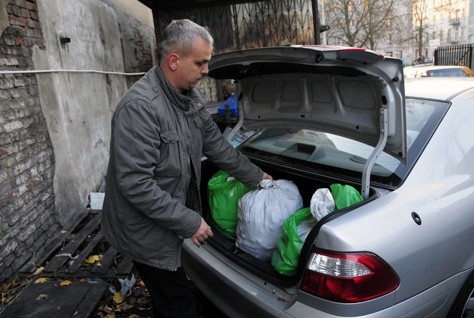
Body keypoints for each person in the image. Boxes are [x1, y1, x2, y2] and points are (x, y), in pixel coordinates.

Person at [101, 19, 272, 318]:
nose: (207, 70)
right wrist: (189, 221)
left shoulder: (189, 99)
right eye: (201, 62)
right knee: (178, 303)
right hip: (144, 231)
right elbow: (135, 184)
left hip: (166, 218)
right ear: (174, 60)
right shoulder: (140, 108)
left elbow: (216, 146)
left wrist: (256, 176)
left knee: (168, 298)